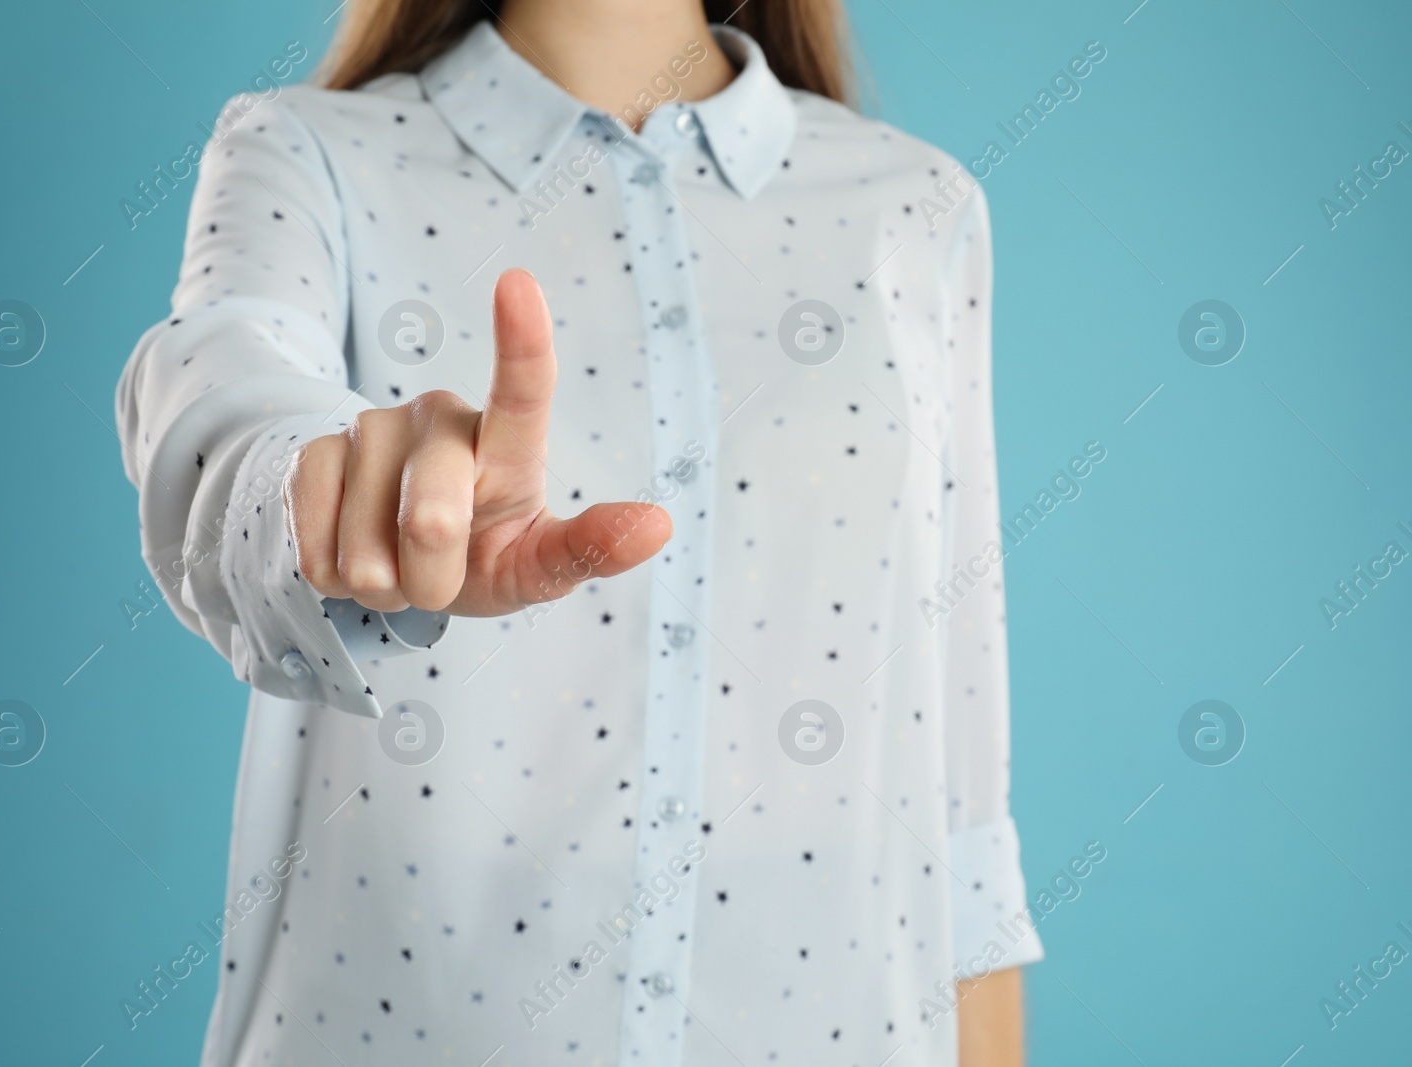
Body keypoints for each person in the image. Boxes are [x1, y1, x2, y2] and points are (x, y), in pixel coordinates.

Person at [115, 0, 1042, 1063]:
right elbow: (217, 393)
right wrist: (314, 482)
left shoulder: (921, 208)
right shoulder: (302, 151)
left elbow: (959, 798)